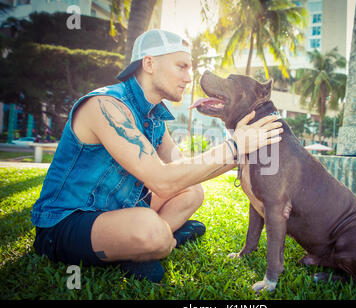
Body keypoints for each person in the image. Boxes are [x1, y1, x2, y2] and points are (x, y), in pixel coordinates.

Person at [31, 29, 282, 282]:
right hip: (64, 224)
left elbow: (181, 169)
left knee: (193, 192)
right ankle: (159, 239)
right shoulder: (105, 106)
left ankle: (141, 243)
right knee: (153, 233)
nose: (189, 77)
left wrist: (244, 152)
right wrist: (235, 146)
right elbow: (161, 180)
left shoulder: (154, 119)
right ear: (149, 63)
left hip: (120, 210)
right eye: (181, 66)